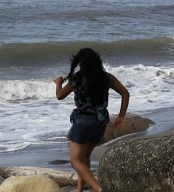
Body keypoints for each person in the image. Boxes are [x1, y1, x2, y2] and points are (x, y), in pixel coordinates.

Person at [54, 48, 130, 192]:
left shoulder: (77, 78)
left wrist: (58, 82)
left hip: (83, 122)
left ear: (81, 63)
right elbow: (125, 94)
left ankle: (98, 188)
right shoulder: (106, 77)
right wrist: (121, 116)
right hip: (100, 123)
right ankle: (80, 190)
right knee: (84, 158)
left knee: (75, 161)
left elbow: (59, 96)